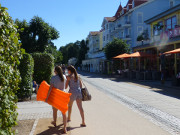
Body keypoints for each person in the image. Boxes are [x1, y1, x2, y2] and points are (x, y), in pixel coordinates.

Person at [46, 66, 67, 133]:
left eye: (54, 71)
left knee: (55, 110)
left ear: (56, 71)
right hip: (63, 95)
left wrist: (47, 97)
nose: (54, 72)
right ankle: (65, 128)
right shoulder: (64, 77)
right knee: (64, 112)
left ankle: (54, 122)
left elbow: (50, 88)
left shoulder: (53, 78)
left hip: (56, 96)